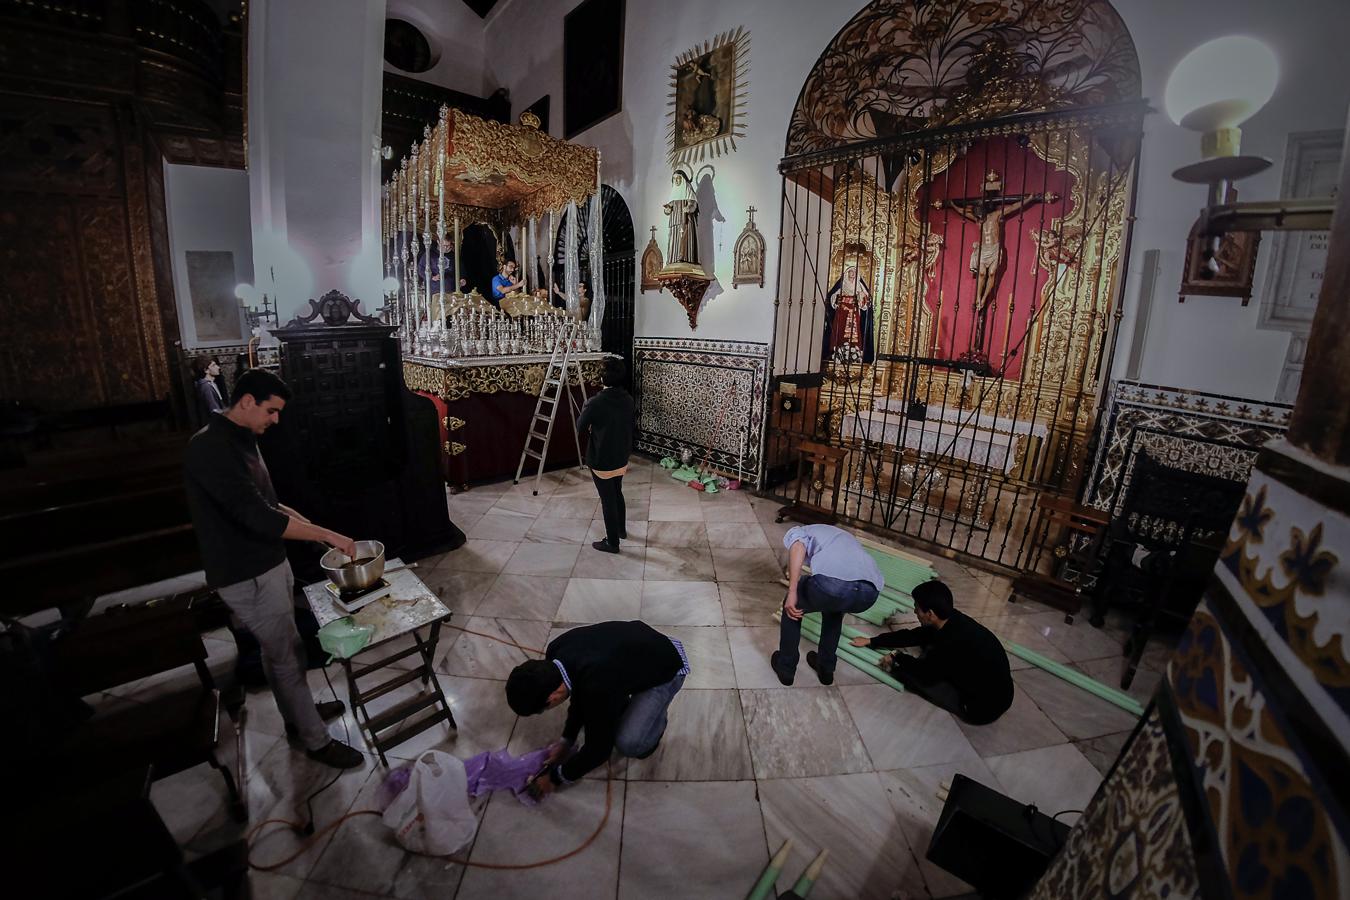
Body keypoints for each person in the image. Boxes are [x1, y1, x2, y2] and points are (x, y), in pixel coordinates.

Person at [183, 368, 366, 770]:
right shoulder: (210, 448)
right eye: (271, 411)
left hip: (267, 561)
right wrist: (329, 535)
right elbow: (258, 518)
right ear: (246, 401)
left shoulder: (241, 437)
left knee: (280, 651)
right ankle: (316, 740)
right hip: (244, 570)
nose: (275, 420)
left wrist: (317, 530)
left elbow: (269, 503)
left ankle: (297, 716)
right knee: (285, 653)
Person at [505, 620, 690, 798]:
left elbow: (599, 751)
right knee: (596, 711)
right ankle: (627, 698)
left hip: (668, 664)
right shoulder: (555, 650)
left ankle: (655, 721)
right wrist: (566, 741)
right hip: (640, 648)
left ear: (552, 698)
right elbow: (578, 694)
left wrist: (555, 778)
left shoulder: (597, 685)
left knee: (630, 743)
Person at [851, 579, 1013, 724]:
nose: (915, 611)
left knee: (913, 677)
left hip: (981, 709)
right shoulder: (952, 618)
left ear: (930, 614)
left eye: (917, 608)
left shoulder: (950, 644)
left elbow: (925, 674)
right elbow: (914, 636)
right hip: (1000, 692)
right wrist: (873, 641)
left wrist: (897, 658)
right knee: (928, 644)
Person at [771, 524, 883, 686]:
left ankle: (786, 668)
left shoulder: (800, 531)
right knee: (834, 611)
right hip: (870, 592)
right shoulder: (842, 537)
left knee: (792, 607)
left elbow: (798, 546)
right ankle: (826, 668)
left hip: (836, 585)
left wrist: (793, 590)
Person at [577, 357, 634, 554]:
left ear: (602, 378)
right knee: (617, 491)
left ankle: (612, 543)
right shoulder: (628, 399)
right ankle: (621, 530)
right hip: (622, 456)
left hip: (602, 458)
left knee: (607, 498)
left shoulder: (595, 402)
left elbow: (580, 427)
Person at [191, 357, 228, 425]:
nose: (218, 367)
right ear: (206, 370)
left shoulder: (212, 383)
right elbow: (214, 410)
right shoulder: (206, 387)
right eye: (213, 365)